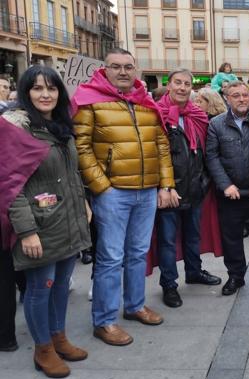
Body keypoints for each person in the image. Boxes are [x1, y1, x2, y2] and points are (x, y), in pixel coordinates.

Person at [73, 48, 175, 346]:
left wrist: (165, 184)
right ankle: (103, 321)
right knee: (110, 257)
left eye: (128, 66)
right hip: (113, 193)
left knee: (138, 253)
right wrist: (102, 186)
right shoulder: (90, 101)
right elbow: (81, 148)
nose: (122, 72)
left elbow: (161, 147)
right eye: (115, 67)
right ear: (104, 70)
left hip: (145, 192)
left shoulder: (146, 103)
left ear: (136, 69)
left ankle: (134, 306)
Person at [4, 65, 91, 378]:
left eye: (51, 88)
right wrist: (26, 231)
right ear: (26, 93)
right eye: (37, 88)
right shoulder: (17, 130)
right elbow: (10, 186)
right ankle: (42, 349)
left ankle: (58, 337)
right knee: (40, 289)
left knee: (59, 288)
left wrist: (81, 200)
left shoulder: (61, 127)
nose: (45, 94)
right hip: (38, 226)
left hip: (67, 220)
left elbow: (71, 172)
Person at [155, 69, 221, 308]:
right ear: (169, 85)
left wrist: (204, 181)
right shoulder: (156, 114)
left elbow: (203, 151)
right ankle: (169, 285)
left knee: (193, 236)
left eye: (186, 84)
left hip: (195, 188)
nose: (182, 88)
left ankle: (194, 272)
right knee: (167, 241)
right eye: (178, 83)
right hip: (169, 190)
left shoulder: (197, 115)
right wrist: (164, 186)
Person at [206, 80, 249, 296]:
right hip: (231, 194)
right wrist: (225, 185)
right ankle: (235, 276)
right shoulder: (216, 124)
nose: (242, 99)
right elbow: (212, 157)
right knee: (231, 238)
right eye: (236, 95)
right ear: (226, 98)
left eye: (245, 95)